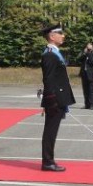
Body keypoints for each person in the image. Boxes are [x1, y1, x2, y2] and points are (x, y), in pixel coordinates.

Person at [40, 24, 76, 172]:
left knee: (52, 130)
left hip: (57, 97)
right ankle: (48, 162)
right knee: (50, 130)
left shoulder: (55, 53)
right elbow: (48, 79)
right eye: (60, 33)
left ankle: (49, 160)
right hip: (54, 98)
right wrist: (51, 99)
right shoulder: (49, 54)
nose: (63, 36)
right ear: (51, 36)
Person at [77, 42, 93, 110]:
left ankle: (92, 104)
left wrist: (89, 53)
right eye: (87, 47)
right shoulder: (84, 54)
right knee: (85, 90)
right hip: (84, 74)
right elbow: (78, 60)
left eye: (89, 47)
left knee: (91, 90)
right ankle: (86, 104)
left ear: (92, 47)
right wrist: (84, 53)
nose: (88, 48)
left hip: (91, 75)